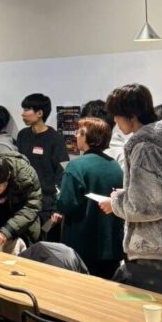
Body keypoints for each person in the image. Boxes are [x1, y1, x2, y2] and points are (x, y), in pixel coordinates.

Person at [100, 84, 162, 299]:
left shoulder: (146, 148)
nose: (115, 121)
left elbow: (147, 206)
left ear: (132, 115)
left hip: (155, 248)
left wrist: (115, 202)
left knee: (156, 312)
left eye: (117, 115)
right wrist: (129, 193)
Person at [51, 117, 124, 278]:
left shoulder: (76, 166)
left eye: (79, 133)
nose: (76, 135)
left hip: (82, 243)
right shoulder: (115, 166)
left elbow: (66, 204)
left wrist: (58, 196)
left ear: (88, 137)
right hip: (111, 243)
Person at [16, 93, 69, 226]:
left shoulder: (55, 139)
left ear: (39, 113)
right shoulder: (22, 135)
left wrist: (58, 207)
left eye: (27, 110)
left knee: (45, 235)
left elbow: (62, 174)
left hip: (46, 204)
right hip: (23, 200)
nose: (23, 114)